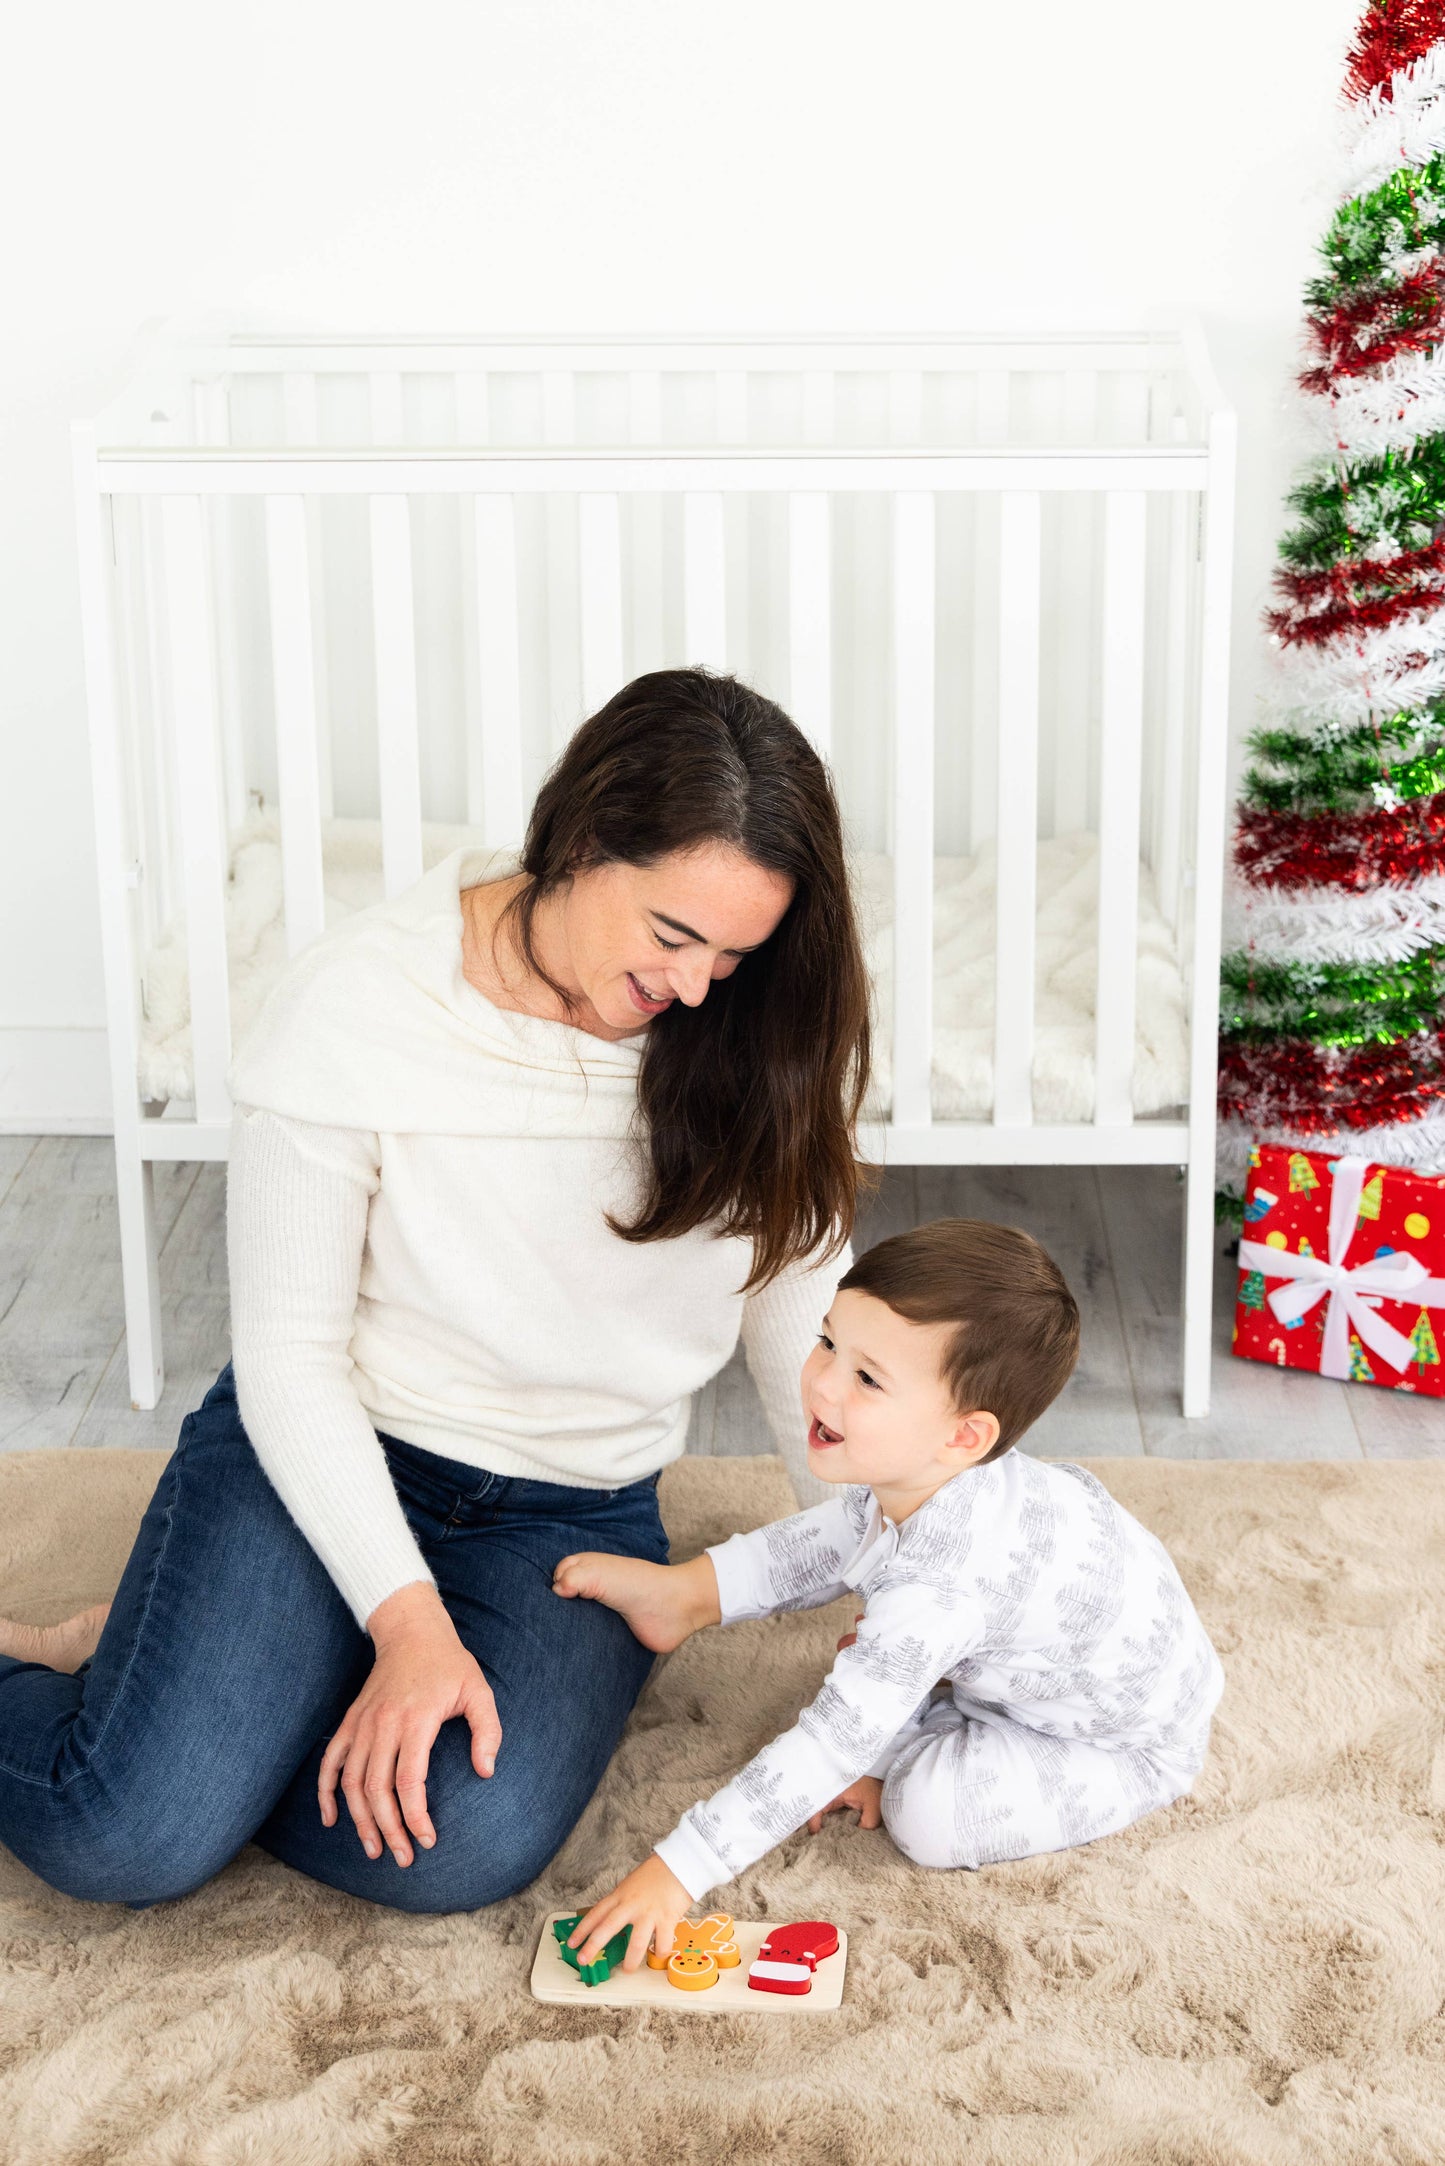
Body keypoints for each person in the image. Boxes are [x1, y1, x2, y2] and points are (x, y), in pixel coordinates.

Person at [0, 667, 877, 1913]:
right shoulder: (359, 1004)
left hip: (569, 1512)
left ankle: (189, 1688)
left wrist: (915, 1581)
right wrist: (407, 1628)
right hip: (337, 1444)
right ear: (578, 842)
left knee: (459, 1841)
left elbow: (814, 1347)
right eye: (671, 936)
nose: (693, 988)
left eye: (733, 954)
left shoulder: (754, 1033)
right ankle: (173, 1705)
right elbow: (292, 1363)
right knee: (126, 1832)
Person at [556, 1219, 1227, 1974]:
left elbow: (825, 1746)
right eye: (827, 1341)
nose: (822, 1381)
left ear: (964, 1437)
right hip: (1044, 1654)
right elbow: (827, 1540)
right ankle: (687, 1598)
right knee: (851, 1553)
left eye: (866, 1379)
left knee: (927, 1814)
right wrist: (698, 1584)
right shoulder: (930, 1478)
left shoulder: (942, 1585)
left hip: (1118, 1745)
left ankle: (910, 1725)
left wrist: (675, 1874)